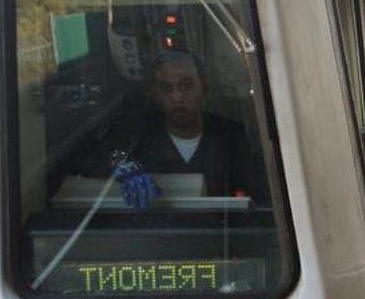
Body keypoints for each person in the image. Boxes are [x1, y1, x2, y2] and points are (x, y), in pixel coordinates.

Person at [98, 50, 265, 208]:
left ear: (203, 87)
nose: (177, 97)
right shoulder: (139, 137)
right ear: (155, 94)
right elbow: (87, 156)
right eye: (166, 89)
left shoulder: (234, 136)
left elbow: (260, 196)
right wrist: (117, 163)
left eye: (186, 86)